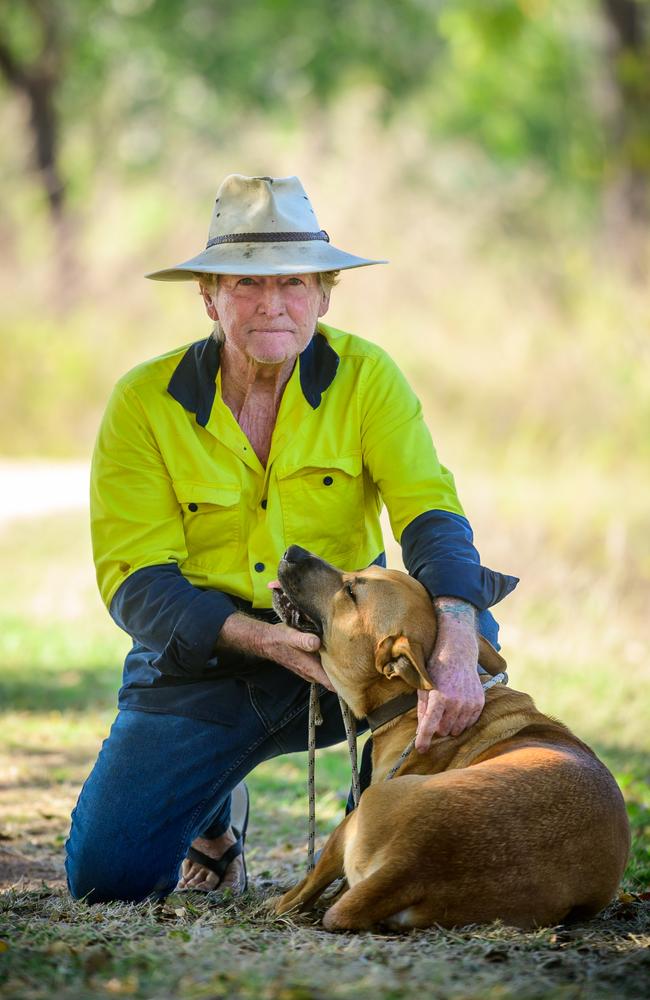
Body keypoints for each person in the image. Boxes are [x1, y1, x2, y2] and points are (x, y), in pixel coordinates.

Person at [65, 174, 518, 903]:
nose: (271, 304)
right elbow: (136, 584)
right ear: (208, 296)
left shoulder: (369, 377)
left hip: (350, 638)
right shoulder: (143, 403)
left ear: (325, 296)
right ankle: (214, 824)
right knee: (105, 880)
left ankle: (386, 831)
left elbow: (430, 514)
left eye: (294, 283)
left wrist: (461, 636)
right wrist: (264, 639)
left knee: (463, 623)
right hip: (211, 653)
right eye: (246, 285)